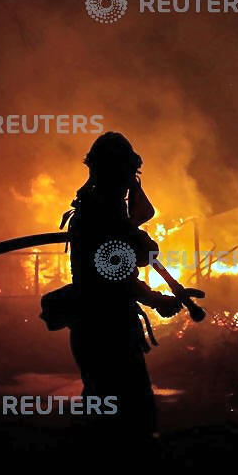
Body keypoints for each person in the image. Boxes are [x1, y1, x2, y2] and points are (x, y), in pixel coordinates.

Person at [61, 132, 187, 438]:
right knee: (128, 421)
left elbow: (140, 240)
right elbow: (116, 281)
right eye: (129, 174)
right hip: (107, 331)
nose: (132, 182)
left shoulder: (104, 213)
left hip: (98, 329)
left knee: (109, 419)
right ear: (117, 173)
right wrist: (157, 300)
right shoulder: (100, 217)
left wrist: (134, 231)